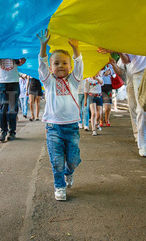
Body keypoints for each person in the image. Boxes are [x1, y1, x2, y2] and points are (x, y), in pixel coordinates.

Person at [37, 29, 83, 201]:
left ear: (70, 67)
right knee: (57, 161)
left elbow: (79, 65)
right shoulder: (48, 82)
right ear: (51, 68)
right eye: (56, 63)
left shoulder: (74, 80)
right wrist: (43, 45)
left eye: (64, 63)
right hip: (53, 129)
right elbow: (41, 64)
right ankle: (59, 186)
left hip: (72, 128)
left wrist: (76, 49)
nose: (61, 66)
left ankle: (69, 173)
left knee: (72, 160)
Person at [110, 54, 146, 157]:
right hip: (137, 76)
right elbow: (124, 64)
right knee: (140, 111)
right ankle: (142, 142)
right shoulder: (132, 41)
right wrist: (118, 51)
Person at [0, 55, 26, 142]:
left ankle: (12, 131)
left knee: (12, 108)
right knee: (3, 107)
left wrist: (22, 61)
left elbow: (19, 62)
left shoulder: (14, 46)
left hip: (13, 80)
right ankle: (3, 131)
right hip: (1, 81)